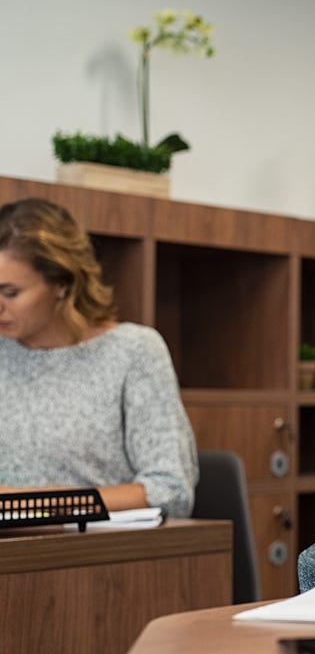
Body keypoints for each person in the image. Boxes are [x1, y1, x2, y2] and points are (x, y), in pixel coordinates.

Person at [0, 197, 198, 517]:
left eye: (10, 293)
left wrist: (27, 503)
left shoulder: (133, 352)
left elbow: (170, 490)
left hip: (100, 556)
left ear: (62, 284)